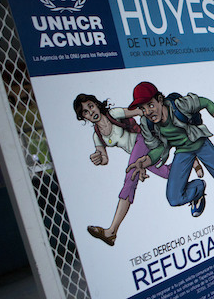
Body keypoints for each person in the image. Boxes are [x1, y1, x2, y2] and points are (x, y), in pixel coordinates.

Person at [74, 93, 203, 246]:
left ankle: (112, 231)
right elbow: (104, 158)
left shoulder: (113, 114)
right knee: (168, 173)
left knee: (130, 178)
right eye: (86, 112)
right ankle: (190, 164)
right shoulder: (97, 136)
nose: (91, 112)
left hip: (142, 140)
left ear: (96, 105)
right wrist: (98, 159)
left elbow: (137, 112)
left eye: (91, 106)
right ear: (84, 118)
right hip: (140, 154)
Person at [126, 81, 214, 218]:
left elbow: (205, 102)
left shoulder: (180, 106)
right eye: (143, 108)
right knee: (174, 198)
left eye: (150, 105)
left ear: (160, 100)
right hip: (183, 151)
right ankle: (198, 190)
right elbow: (158, 149)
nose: (148, 112)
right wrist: (144, 162)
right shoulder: (148, 124)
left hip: (200, 143)